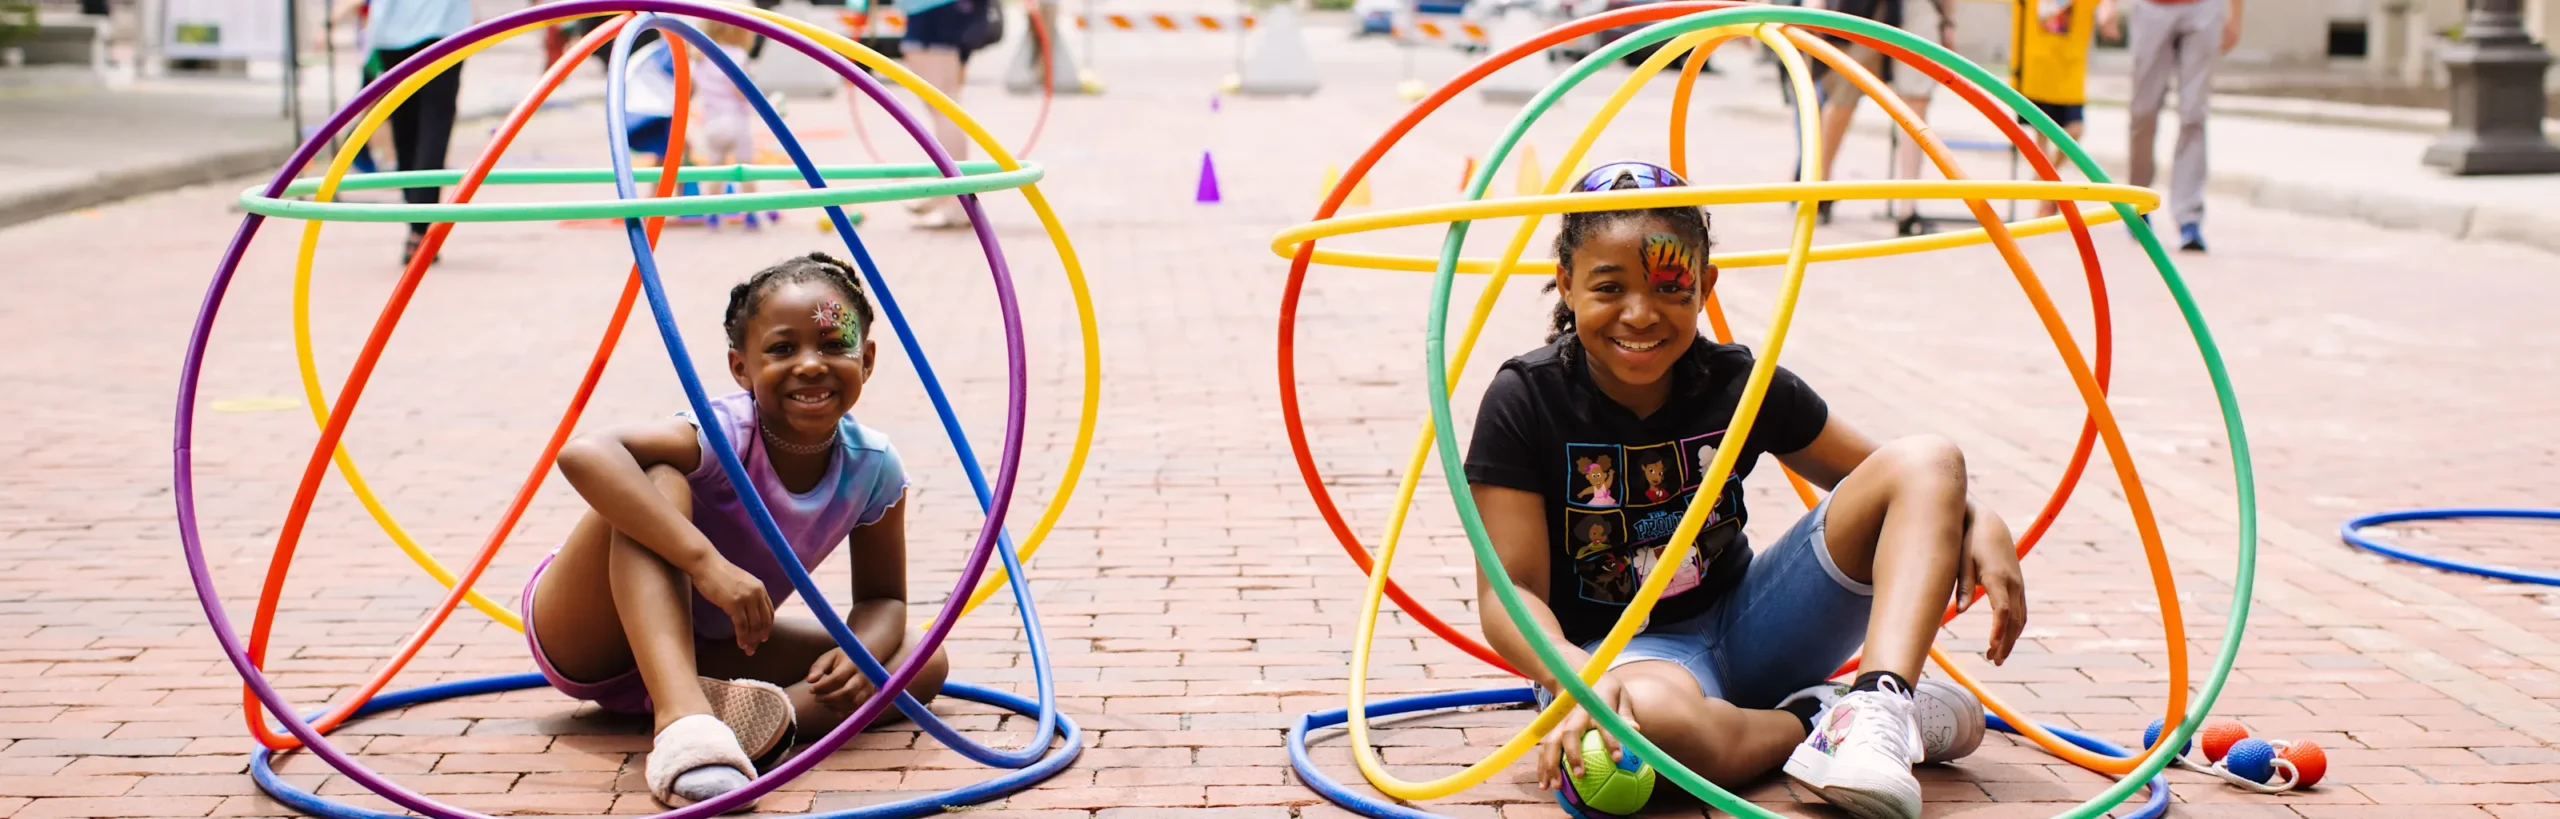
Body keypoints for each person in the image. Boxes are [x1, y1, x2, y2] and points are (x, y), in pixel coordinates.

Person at [1465, 162, 2024, 819]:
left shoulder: (1739, 383)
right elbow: (1510, 594)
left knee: (1931, 456)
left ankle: (1879, 704)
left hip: (1757, 625)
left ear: (1704, 286)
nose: (1639, 314)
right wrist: (1577, 677)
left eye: (1670, 287)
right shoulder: (1526, 399)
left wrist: (1975, 514)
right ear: (1565, 283)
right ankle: (1819, 717)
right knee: (1639, 729)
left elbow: (1905, 478)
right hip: (1621, 657)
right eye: (1609, 286)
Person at [528, 253, 947, 810]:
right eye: (781, 349)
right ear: (740, 368)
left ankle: (767, 727)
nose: (811, 365)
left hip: (714, 649)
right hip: (588, 635)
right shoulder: (725, 431)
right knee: (659, 478)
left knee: (920, 657)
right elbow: (585, 453)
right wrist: (708, 565)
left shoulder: (873, 465)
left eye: (833, 344)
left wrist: (861, 654)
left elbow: (882, 598)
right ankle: (683, 720)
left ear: (866, 359)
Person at [2098, 0, 2241, 252]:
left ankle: (2189, 218)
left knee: (2193, 115)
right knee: (2143, 112)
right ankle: (2137, 200)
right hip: (2151, 7)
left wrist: (2235, 15)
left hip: (2203, 8)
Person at [1808, 0, 1952, 227]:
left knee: (1915, 102)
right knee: (1843, 95)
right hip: (1865, 9)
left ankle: (1908, 206)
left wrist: (1947, 21)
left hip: (1916, 8)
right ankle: (1819, 184)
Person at [355, 0, 473, 265]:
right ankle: (419, 229)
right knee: (432, 130)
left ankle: (416, 223)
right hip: (440, 35)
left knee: (406, 131)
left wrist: (370, 43)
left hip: (394, 38)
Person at [899, 0, 991, 229]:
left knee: (944, 107)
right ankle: (949, 191)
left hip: (934, 10)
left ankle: (958, 202)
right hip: (957, 11)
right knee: (947, 103)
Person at [2013, 0, 2096, 219]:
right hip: (2038, 69)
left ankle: (2046, 180)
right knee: (2042, 136)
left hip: (2069, 73)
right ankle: (2046, 198)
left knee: (2075, 130)